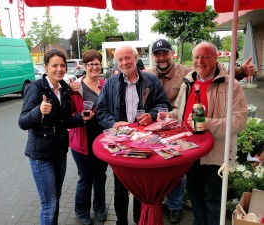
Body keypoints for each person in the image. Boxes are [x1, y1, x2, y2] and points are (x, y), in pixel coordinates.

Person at [147, 39, 255, 224]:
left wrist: (207, 123)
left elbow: (239, 121)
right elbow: (181, 112)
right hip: (189, 151)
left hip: (214, 155)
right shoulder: (189, 81)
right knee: (195, 196)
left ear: (215, 58)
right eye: (197, 57)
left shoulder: (231, 86)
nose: (200, 61)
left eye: (206, 56)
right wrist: (168, 116)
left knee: (213, 200)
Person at [96, 45, 171, 225]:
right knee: (120, 187)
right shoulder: (111, 83)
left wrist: (151, 115)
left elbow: (164, 105)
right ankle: (121, 221)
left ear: (136, 58)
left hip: (145, 141)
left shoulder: (151, 80)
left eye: (128, 58)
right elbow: (101, 111)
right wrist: (113, 123)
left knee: (141, 187)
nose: (124, 62)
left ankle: (140, 220)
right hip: (120, 142)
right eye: (120, 59)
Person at [18, 48, 93, 225]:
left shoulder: (64, 89)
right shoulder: (35, 88)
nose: (59, 69)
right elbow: (22, 122)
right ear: (45, 67)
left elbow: (64, 121)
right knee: (49, 203)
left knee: (56, 197)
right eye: (54, 66)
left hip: (60, 152)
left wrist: (80, 118)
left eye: (62, 65)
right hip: (41, 155)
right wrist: (38, 111)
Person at [69, 50, 108, 225]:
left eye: (97, 63)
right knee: (86, 177)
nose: (94, 67)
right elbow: (67, 112)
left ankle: (99, 207)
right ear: (84, 66)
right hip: (82, 139)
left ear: (101, 65)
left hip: (103, 139)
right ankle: (81, 210)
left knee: (101, 175)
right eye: (90, 64)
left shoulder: (105, 84)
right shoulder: (76, 87)